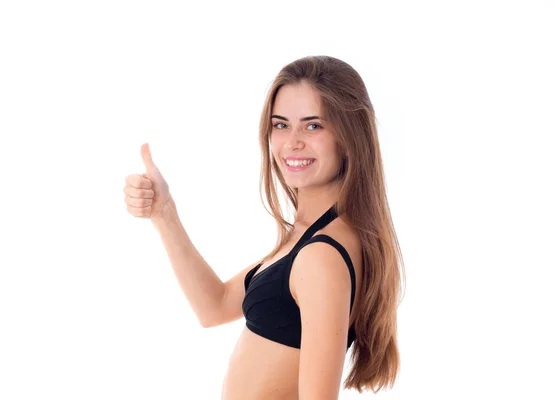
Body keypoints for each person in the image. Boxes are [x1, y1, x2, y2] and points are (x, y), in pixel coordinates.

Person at [123, 55, 405, 399]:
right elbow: (215, 306)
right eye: (281, 124)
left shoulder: (322, 256)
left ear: (349, 135)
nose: (292, 142)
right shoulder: (308, 234)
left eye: (313, 125)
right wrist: (164, 214)